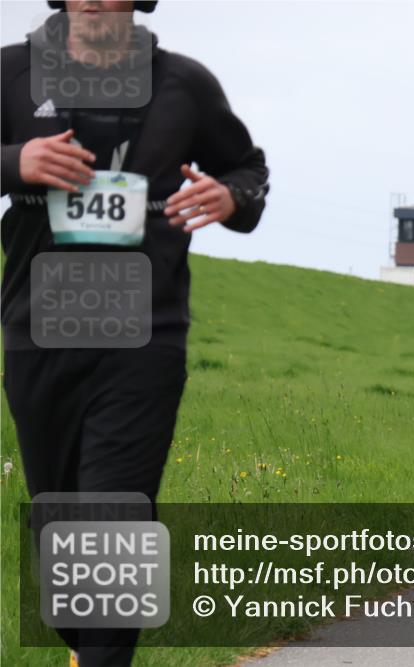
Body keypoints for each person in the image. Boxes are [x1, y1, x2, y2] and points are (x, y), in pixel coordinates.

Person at [2, 3, 269, 665]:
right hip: (38, 330)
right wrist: (17, 161)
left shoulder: (186, 84)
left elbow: (249, 170)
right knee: (58, 526)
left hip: (144, 335)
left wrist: (231, 198)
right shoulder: (11, 73)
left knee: (116, 518)